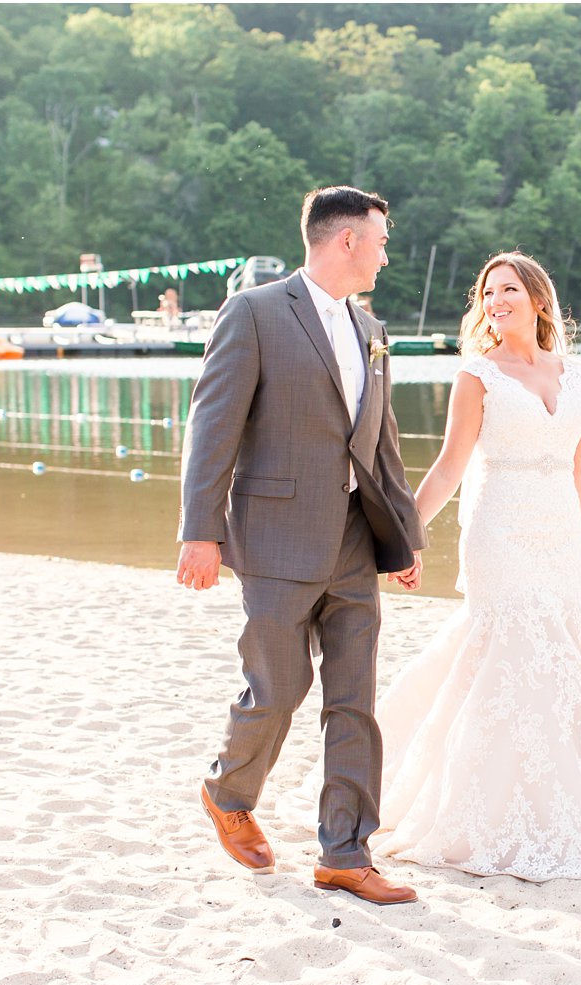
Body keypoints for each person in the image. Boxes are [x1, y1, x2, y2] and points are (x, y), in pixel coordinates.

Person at [336, 251, 581, 881]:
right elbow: (448, 466)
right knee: (514, 652)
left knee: (554, 659)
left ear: (539, 301)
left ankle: (558, 805)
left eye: (508, 291)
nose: (495, 302)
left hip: (556, 541)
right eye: (487, 293)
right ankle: (475, 812)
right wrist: (405, 536)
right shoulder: (478, 376)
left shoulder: (575, 376)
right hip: (498, 534)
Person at [177, 185, 426, 906]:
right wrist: (200, 530)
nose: (385, 251)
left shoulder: (372, 327)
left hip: (356, 538)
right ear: (346, 240)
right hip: (276, 535)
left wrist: (403, 535)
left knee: (355, 701)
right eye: (380, 239)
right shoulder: (253, 313)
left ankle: (345, 851)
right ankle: (229, 790)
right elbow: (213, 425)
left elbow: (383, 444)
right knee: (280, 688)